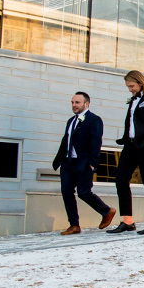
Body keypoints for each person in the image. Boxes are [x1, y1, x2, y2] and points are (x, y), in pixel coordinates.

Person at [108, 70, 144, 235]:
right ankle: (127, 221)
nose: (130, 89)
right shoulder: (134, 100)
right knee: (121, 179)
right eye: (128, 86)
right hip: (131, 145)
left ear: (140, 82)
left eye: (131, 86)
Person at [52, 92, 116, 235]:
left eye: (77, 102)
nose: (74, 105)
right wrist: (60, 159)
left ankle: (106, 211)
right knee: (66, 192)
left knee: (84, 192)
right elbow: (66, 140)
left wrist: (93, 162)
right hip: (68, 163)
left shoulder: (94, 120)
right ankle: (74, 225)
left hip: (84, 162)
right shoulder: (71, 121)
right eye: (72, 102)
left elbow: (96, 141)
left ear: (86, 104)